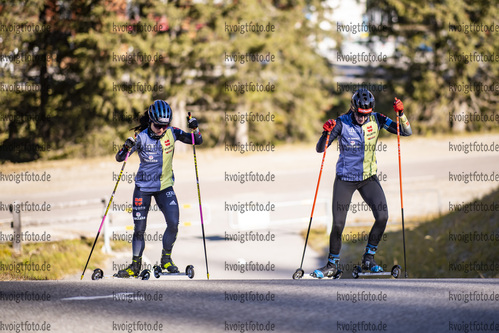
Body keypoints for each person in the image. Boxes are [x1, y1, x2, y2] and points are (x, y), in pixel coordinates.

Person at [312, 88, 412, 278]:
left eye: (366, 114)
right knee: (338, 224)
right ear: (353, 108)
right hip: (345, 179)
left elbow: (406, 132)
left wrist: (401, 113)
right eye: (359, 113)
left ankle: (368, 258)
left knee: (382, 216)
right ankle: (332, 265)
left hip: (368, 178)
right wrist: (325, 133)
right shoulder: (341, 123)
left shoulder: (378, 119)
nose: (362, 118)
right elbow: (320, 149)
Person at [114, 100, 202, 278]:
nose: (161, 129)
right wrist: (126, 147)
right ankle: (134, 265)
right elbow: (119, 158)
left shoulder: (172, 132)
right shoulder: (141, 137)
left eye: (164, 125)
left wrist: (195, 128)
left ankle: (166, 259)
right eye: (157, 125)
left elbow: (196, 140)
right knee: (139, 229)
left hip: (164, 187)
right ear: (150, 121)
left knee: (173, 223)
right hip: (143, 188)